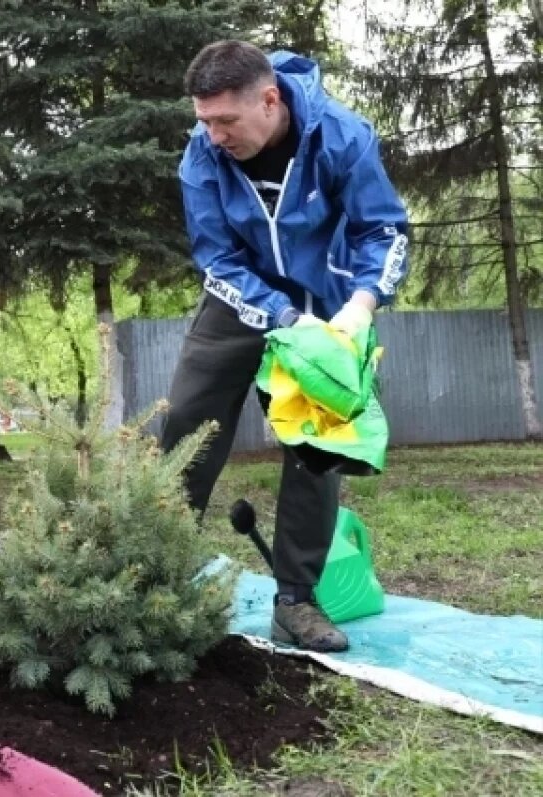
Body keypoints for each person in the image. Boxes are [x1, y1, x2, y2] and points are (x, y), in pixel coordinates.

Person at [164, 41, 409, 652]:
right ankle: (152, 577)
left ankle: (295, 600)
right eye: (205, 121)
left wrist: (359, 305)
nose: (215, 135)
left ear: (269, 100)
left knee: (315, 450)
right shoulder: (202, 156)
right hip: (239, 300)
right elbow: (216, 258)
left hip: (329, 308)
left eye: (226, 121)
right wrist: (279, 313)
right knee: (185, 431)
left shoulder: (341, 137)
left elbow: (383, 228)